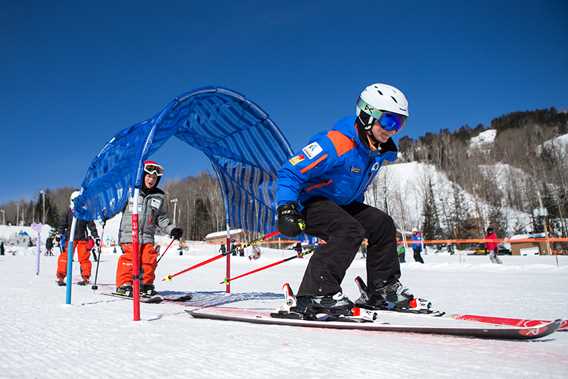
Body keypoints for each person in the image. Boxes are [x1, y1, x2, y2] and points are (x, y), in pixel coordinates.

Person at [276, 82, 420, 317]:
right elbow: (290, 171)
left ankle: (382, 290)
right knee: (348, 229)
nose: (393, 130)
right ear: (367, 115)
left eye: (399, 123)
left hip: (339, 205)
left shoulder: (375, 152)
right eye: (389, 121)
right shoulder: (336, 143)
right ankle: (317, 293)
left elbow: (351, 189)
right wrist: (287, 208)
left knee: (381, 224)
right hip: (310, 203)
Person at [115, 160, 183, 297]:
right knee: (130, 258)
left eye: (154, 178)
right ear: (142, 175)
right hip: (129, 234)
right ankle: (124, 284)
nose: (151, 180)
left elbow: (161, 218)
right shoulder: (130, 191)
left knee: (149, 259)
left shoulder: (159, 196)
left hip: (147, 236)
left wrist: (172, 229)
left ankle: (145, 284)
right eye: (148, 176)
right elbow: (115, 205)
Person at [57, 191, 100, 286]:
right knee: (65, 257)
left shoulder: (85, 212)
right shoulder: (68, 212)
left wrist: (96, 236)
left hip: (82, 238)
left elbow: (91, 225)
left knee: (84, 258)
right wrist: (59, 234)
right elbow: (62, 224)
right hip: (70, 238)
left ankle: (85, 277)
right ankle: (61, 276)